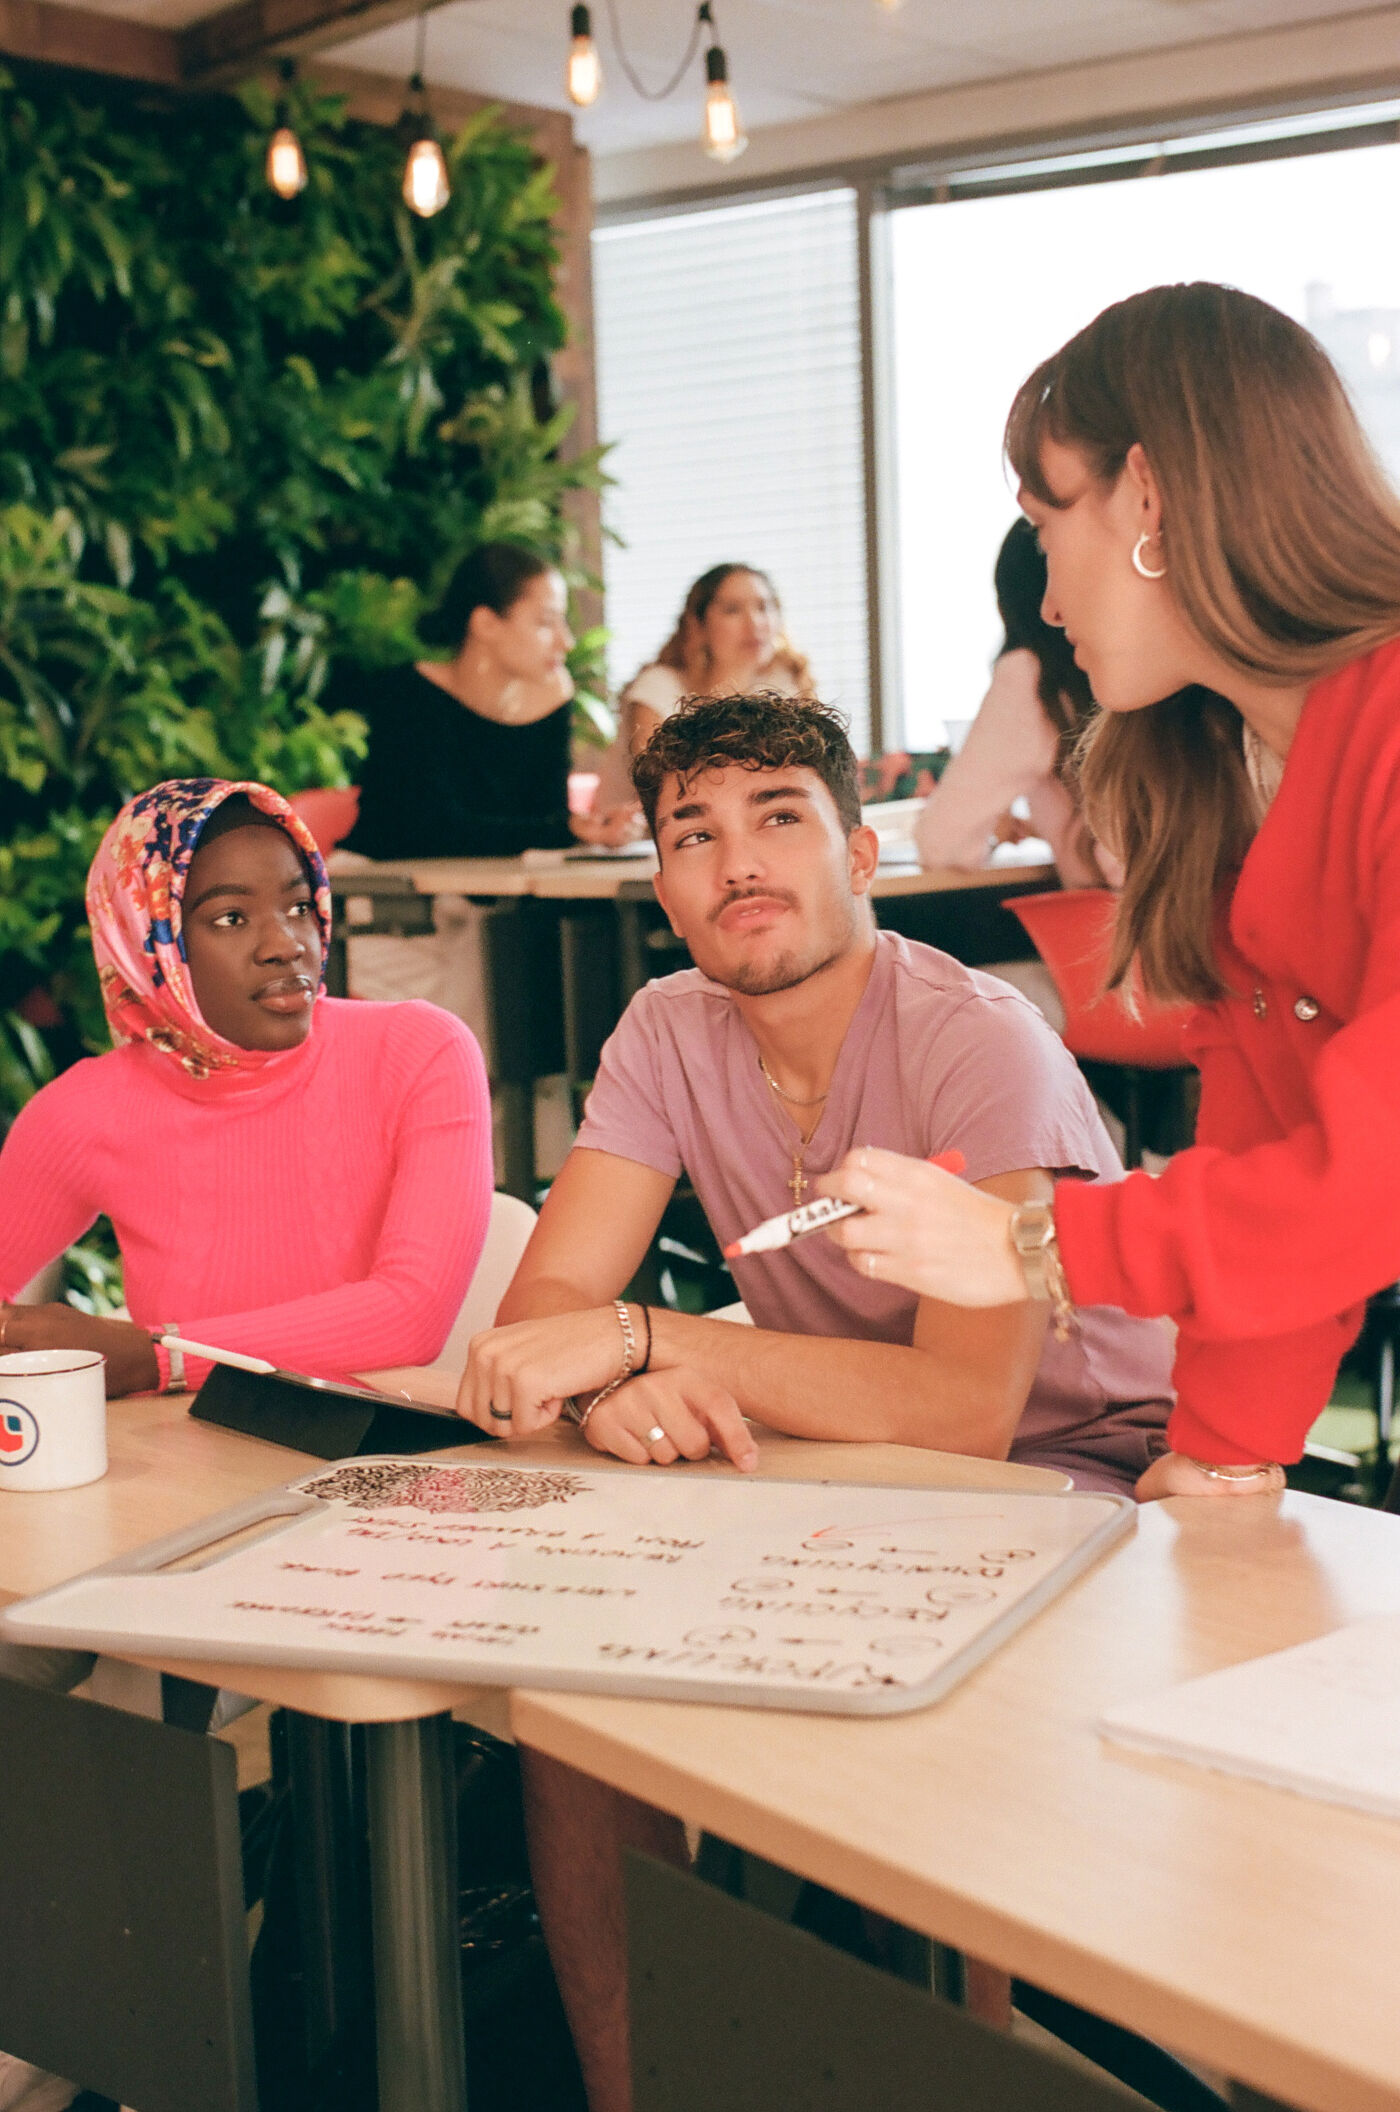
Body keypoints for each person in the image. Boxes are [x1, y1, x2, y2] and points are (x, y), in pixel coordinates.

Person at [453, 691, 1174, 2112]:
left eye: (778, 818)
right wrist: (614, 1393)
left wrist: (646, 1342)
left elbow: (972, 1410)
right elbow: (548, 1318)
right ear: (657, 886)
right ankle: (636, 2091)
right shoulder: (666, 1030)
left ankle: (951, 2073)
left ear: (862, 853)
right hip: (842, 1458)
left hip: (1081, 1469)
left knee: (916, 1683)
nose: (738, 865)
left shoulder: (979, 1039)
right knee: (574, 1679)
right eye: (693, 835)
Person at [816, 279, 1400, 1505]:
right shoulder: (1233, 774)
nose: (1041, 595)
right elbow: (1273, 1137)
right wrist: (1225, 1452)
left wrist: (1032, 1246)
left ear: (1146, 496)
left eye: (1044, 522)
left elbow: (1364, 1178)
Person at [0, 777, 493, 1395]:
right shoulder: (84, 1112)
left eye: (299, 906)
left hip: (388, 1469)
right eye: (230, 918)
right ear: (148, 943)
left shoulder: (421, 1051)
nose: (286, 946)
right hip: (184, 1472)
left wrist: (162, 1358)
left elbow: (410, 1316)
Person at [343, 541, 633, 860]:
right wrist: (567, 830)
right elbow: (426, 829)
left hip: (492, 890)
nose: (566, 641)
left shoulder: (553, 695)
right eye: (546, 622)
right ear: (485, 624)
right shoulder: (407, 695)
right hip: (384, 891)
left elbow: (547, 819)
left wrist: (582, 828)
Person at [915, 515, 1119, 888]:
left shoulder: (1031, 675)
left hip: (1123, 926)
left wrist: (991, 830)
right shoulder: (1140, 661)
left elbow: (941, 842)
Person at [615, 562, 816, 761]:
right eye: (732, 610)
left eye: (763, 607)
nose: (755, 623)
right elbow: (657, 783)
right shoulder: (658, 687)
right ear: (698, 625)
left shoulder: (785, 682)